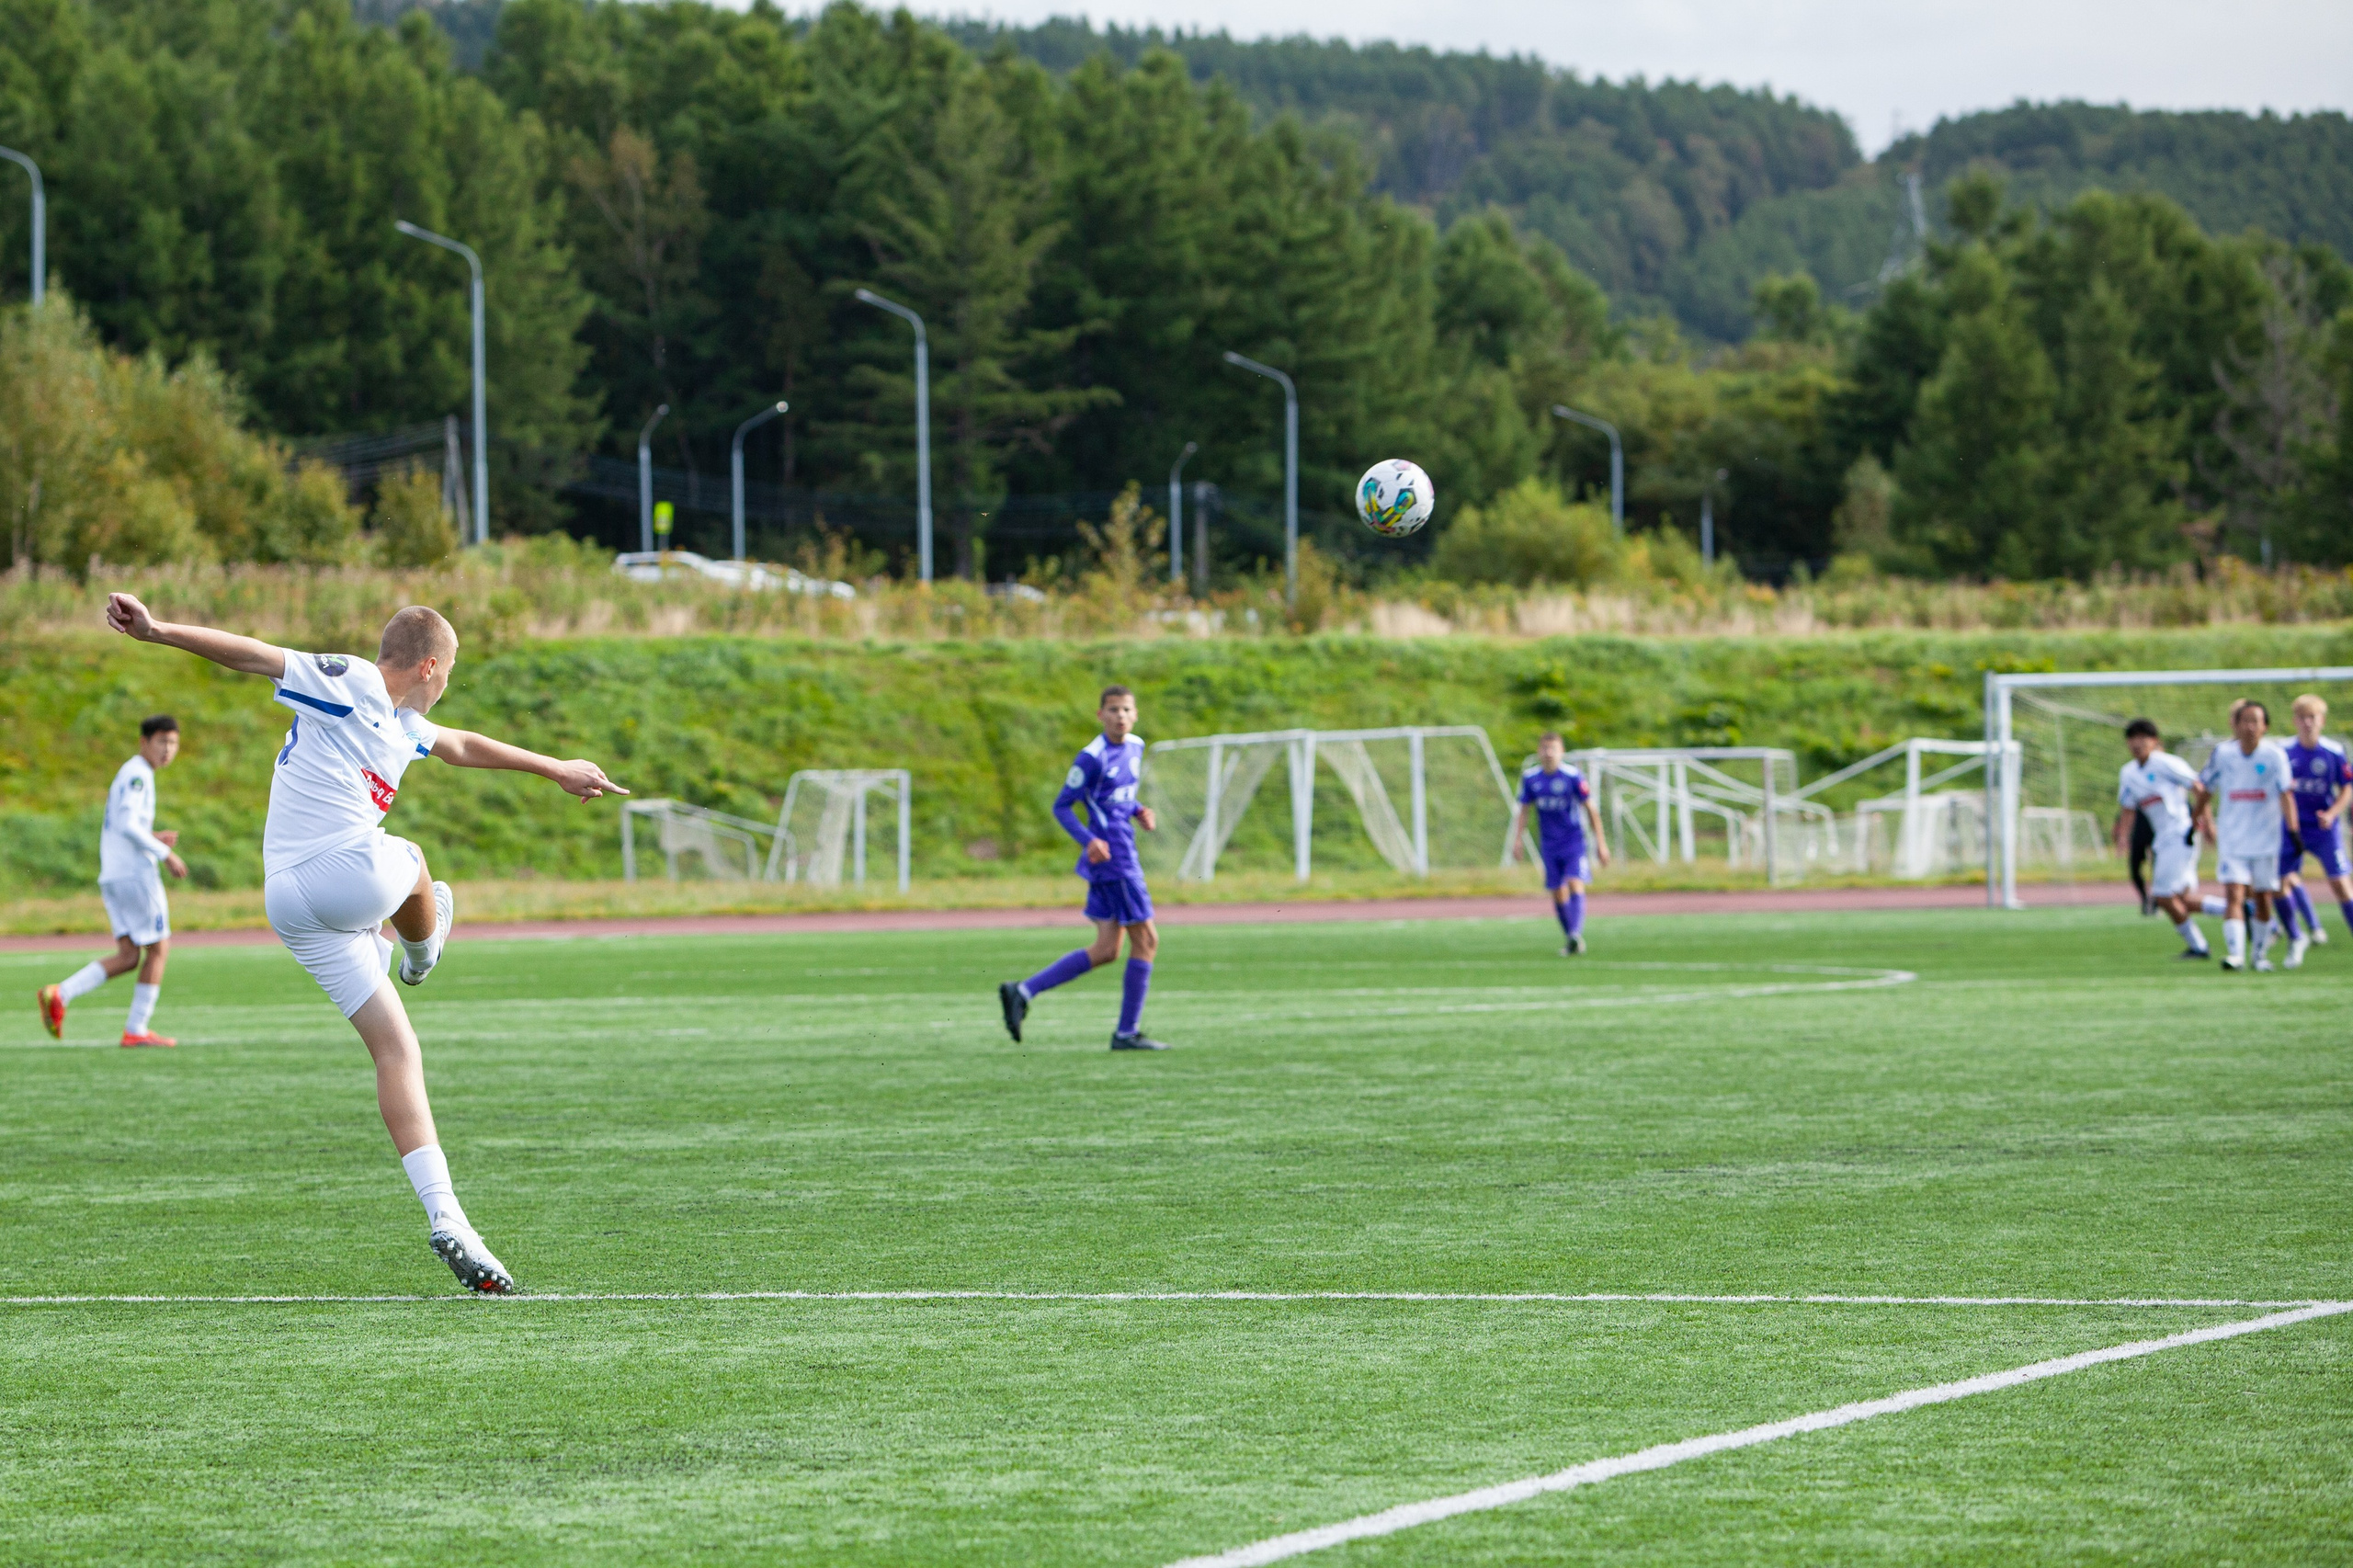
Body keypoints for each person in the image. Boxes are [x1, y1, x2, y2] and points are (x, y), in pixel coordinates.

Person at [99, 593, 628, 1292]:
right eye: (451, 673)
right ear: (430, 666)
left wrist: (555, 766)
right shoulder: (349, 679)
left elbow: (464, 746)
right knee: (408, 858)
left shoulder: (405, 725)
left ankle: (449, 1219)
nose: (449, 687)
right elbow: (254, 654)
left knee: (398, 1048)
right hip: (331, 874)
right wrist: (158, 631)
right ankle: (423, 948)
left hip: (296, 905)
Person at [998, 685, 1166, 1051]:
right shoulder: (1091, 757)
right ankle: (1126, 1033)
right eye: (1112, 710)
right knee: (1148, 941)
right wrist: (1088, 838)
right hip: (1116, 861)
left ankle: (1022, 992)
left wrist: (1139, 811)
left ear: (1135, 714)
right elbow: (1062, 805)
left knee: (1107, 949)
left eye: (1126, 709)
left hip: (1117, 856)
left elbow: (1118, 795)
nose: (1120, 715)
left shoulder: (1136, 746)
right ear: (1100, 715)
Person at [37, 715, 191, 1045]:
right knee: (159, 948)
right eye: (162, 741)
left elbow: (128, 826)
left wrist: (153, 837)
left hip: (114, 873)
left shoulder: (130, 772)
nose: (168, 749)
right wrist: (166, 855)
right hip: (135, 875)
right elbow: (126, 825)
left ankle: (60, 994)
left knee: (129, 955)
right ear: (144, 742)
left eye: (174, 743)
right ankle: (136, 1030)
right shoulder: (138, 774)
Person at [2193, 699, 2299, 972]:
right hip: (2233, 839)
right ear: (2236, 725)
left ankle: (2259, 955)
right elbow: (2206, 788)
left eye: (2256, 721)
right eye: (2245, 721)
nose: (2250, 727)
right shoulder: (2223, 754)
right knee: (2234, 894)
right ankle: (2236, 955)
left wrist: (2294, 831)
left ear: (2265, 727)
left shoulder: (2274, 756)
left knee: (2264, 898)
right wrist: (2196, 820)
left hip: (2266, 839)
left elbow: (2286, 794)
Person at [1506, 732, 1611, 955]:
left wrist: (1601, 843)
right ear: (1538, 751)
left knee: (1574, 881)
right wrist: (1517, 840)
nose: (1548, 753)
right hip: (1549, 844)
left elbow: (1591, 810)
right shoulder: (1531, 778)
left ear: (1562, 752)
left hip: (1574, 841)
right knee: (1557, 891)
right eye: (1544, 748)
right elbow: (1524, 810)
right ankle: (1571, 939)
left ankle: (1574, 933)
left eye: (1553, 749)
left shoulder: (1573, 776)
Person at [2111, 719, 2208, 960]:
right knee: (2182, 898)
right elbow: (2127, 807)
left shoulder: (2166, 763)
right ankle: (2241, 910)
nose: (2137, 743)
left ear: (2154, 741)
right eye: (2133, 738)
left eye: (2143, 738)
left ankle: (2198, 946)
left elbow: (2198, 787)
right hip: (2163, 840)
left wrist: (2205, 821)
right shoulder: (2128, 772)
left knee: (2163, 896)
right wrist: (2123, 837)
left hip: (2180, 834)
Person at [2274, 693, 2353, 967]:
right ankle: (2296, 938)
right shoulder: (2284, 752)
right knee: (2279, 883)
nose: (2307, 723)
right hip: (2292, 827)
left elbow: (2346, 788)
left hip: (2323, 829)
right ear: (2295, 721)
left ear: (2322, 720)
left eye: (2313, 718)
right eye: (2302, 718)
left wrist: (2332, 814)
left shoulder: (2333, 752)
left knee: (2341, 884)